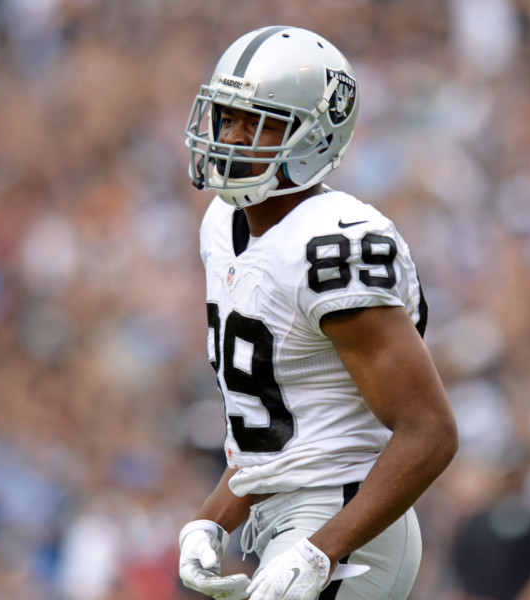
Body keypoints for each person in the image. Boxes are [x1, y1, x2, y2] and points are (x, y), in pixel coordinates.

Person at [176, 25, 458, 600]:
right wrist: (213, 519)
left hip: (350, 522)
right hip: (290, 519)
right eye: (227, 116)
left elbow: (429, 432)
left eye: (257, 122)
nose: (231, 135)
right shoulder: (221, 226)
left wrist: (319, 551)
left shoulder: (332, 246)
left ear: (314, 135)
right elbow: (286, 431)